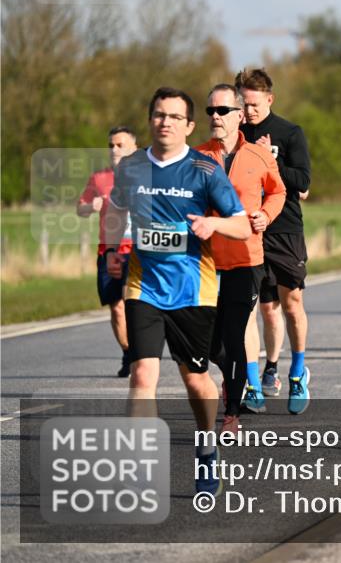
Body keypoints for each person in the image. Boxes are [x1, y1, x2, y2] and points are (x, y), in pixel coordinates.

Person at [104, 87, 250, 495]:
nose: (164, 122)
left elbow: (242, 225)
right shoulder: (132, 167)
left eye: (173, 116)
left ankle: (206, 451)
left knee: (196, 382)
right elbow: (116, 210)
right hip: (143, 285)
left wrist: (213, 225)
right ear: (150, 120)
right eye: (158, 114)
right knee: (142, 374)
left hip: (192, 289)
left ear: (188, 125)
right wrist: (115, 250)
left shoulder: (204, 170)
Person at [196, 84, 287, 430]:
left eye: (222, 111)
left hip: (246, 259)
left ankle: (232, 411)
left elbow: (278, 191)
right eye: (210, 112)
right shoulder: (197, 156)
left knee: (235, 335)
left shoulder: (259, 155)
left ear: (238, 115)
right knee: (206, 341)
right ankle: (228, 372)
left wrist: (266, 214)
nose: (215, 118)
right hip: (203, 262)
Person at [236, 68, 312, 411]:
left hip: (285, 229)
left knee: (291, 303)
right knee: (256, 307)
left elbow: (304, 182)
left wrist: (271, 159)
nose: (248, 111)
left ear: (269, 99)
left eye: (253, 104)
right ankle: (254, 381)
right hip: (248, 230)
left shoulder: (290, 133)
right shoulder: (235, 134)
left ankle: (297, 371)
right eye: (244, 103)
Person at [77, 126, 138, 377]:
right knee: (116, 307)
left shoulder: (145, 175)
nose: (114, 149)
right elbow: (79, 209)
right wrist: (91, 206)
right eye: (111, 145)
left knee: (135, 304)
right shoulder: (99, 178)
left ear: (133, 148)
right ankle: (128, 353)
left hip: (138, 250)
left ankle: (141, 352)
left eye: (120, 145)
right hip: (109, 250)